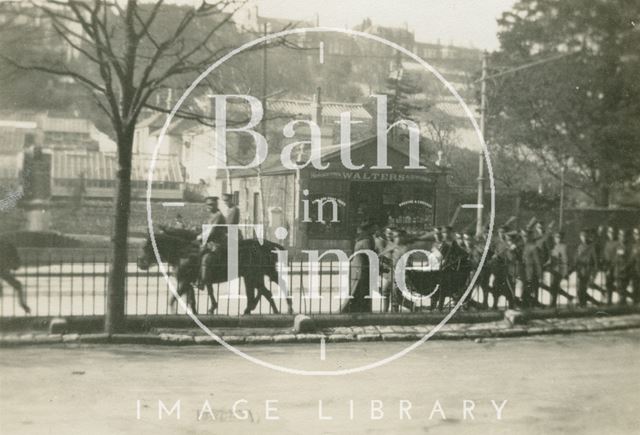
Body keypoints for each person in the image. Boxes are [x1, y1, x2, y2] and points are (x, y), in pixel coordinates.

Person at [344, 222, 375, 313]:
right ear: (369, 229)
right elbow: (370, 255)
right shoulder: (367, 240)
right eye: (373, 228)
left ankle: (356, 309)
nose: (375, 230)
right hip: (362, 267)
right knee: (361, 289)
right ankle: (362, 310)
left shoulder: (360, 239)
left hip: (357, 266)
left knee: (357, 289)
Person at [197, 196, 227, 290]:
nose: (209, 207)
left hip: (218, 243)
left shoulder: (218, 215)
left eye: (211, 205)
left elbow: (212, 231)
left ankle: (203, 281)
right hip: (211, 242)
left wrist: (200, 236)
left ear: (215, 205)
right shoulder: (212, 215)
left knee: (206, 259)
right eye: (208, 205)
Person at [574, 229, 597, 307]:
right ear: (580, 237)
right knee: (579, 287)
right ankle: (582, 302)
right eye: (582, 236)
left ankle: (583, 303)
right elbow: (577, 258)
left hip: (587, 269)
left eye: (585, 236)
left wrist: (594, 270)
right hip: (580, 269)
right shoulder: (580, 246)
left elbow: (594, 259)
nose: (584, 238)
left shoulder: (591, 247)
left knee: (583, 287)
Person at [546, 231, 568, 307]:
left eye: (559, 237)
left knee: (554, 286)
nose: (557, 239)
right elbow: (551, 258)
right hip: (554, 269)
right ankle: (553, 302)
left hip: (560, 269)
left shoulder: (563, 246)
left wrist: (565, 271)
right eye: (556, 237)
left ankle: (553, 303)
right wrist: (546, 264)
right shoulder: (554, 246)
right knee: (553, 286)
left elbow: (565, 259)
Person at [521, 230, 542, 308]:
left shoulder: (533, 247)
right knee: (526, 291)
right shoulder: (524, 246)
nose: (524, 238)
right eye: (523, 236)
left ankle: (531, 304)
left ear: (529, 237)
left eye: (526, 236)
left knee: (528, 290)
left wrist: (539, 274)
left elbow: (537, 262)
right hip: (525, 272)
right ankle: (530, 304)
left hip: (531, 272)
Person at [613, 229, 632, 305]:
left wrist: (625, 267)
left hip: (625, 269)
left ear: (626, 237)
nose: (622, 237)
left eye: (623, 235)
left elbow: (630, 259)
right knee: (618, 286)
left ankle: (622, 300)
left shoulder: (629, 246)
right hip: (618, 269)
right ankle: (622, 299)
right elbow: (616, 257)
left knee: (623, 285)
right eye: (621, 235)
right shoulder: (618, 245)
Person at [603, 226, 618, 304]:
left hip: (615, 267)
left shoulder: (617, 243)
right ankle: (609, 301)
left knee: (615, 284)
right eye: (609, 232)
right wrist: (605, 266)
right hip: (608, 267)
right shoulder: (607, 243)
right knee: (608, 284)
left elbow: (617, 257)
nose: (611, 234)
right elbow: (605, 256)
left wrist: (610, 267)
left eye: (612, 232)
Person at [632, 227, 640, 304]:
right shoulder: (634, 245)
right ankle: (636, 299)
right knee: (635, 283)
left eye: (637, 234)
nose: (636, 235)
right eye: (635, 234)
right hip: (635, 267)